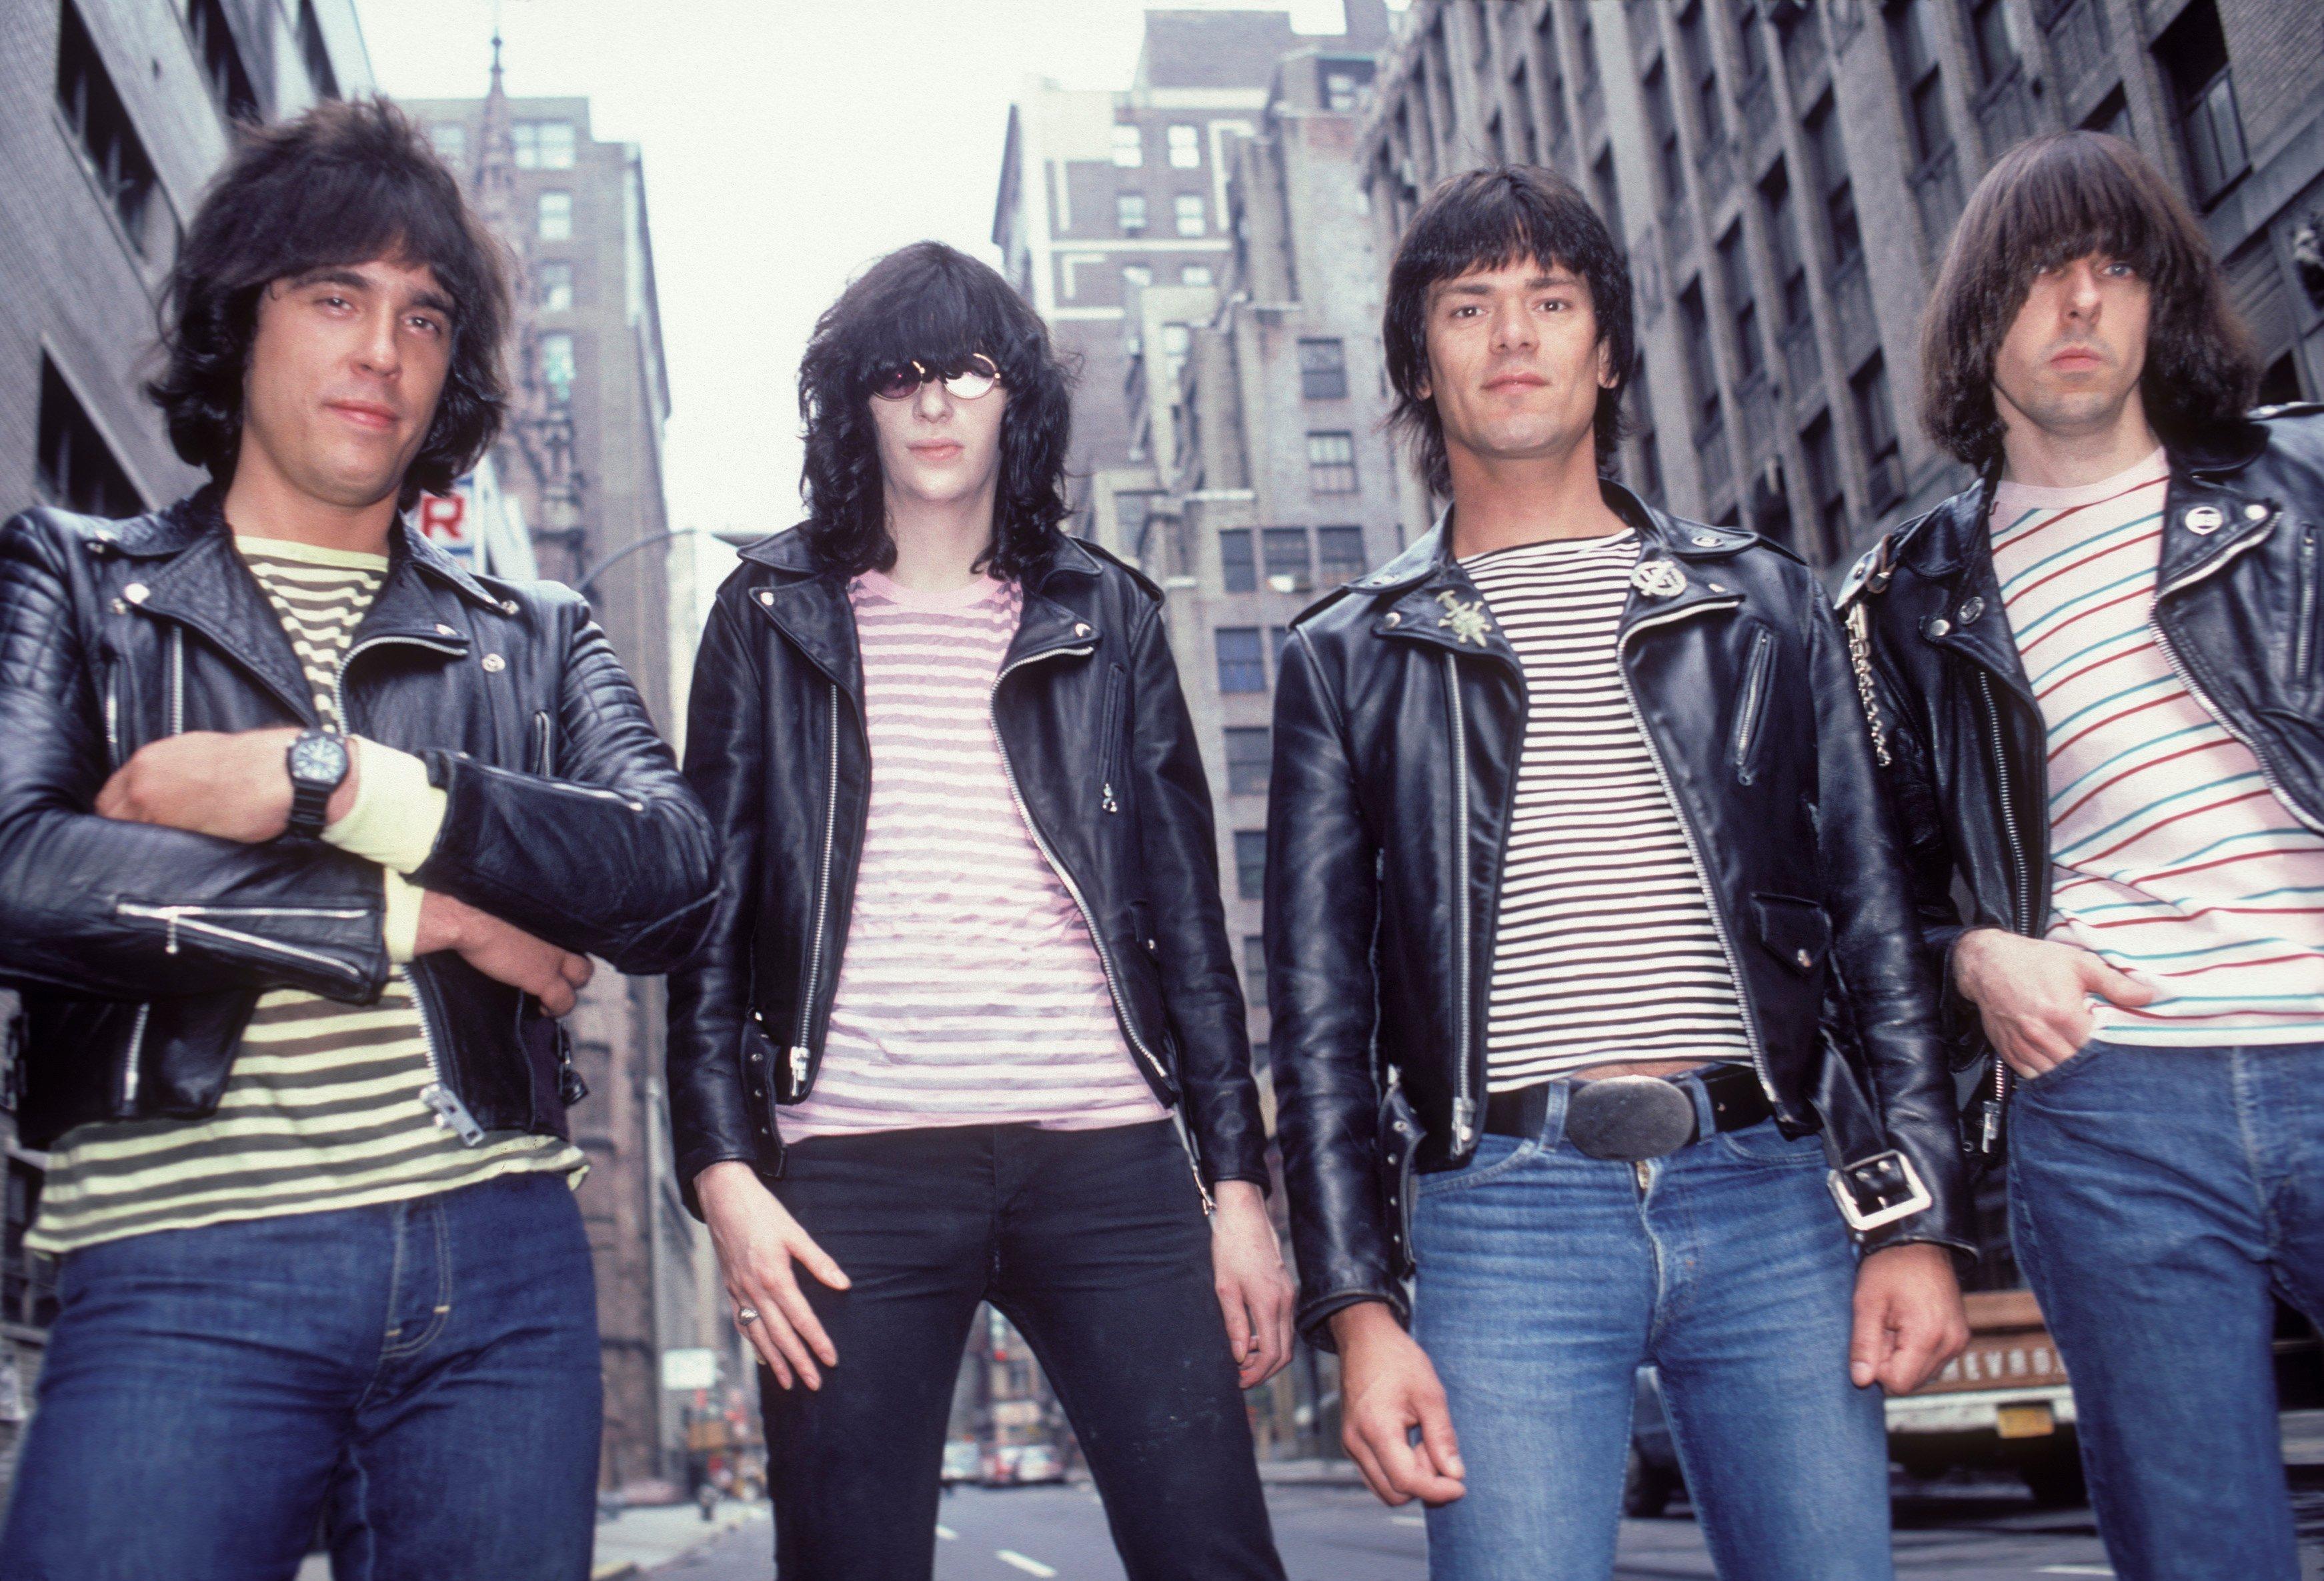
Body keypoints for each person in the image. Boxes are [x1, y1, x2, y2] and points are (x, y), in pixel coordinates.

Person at [0, 100, 716, 1579]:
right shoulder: (79, 584)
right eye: (335, 296)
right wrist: (417, 919)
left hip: (501, 1274)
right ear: (238, 321)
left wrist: (332, 781)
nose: (382, 348)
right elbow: (21, 878)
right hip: (188, 1266)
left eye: (424, 315)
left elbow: (673, 876)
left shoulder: (538, 633)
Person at [1265, 165, 1970, 1581]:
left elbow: (1874, 924)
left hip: (1773, 1187)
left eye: (1552, 299)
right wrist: (1359, 1308)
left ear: (1610, 350)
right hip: (1502, 1214)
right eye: (1469, 306)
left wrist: (1918, 1217)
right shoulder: (1345, 653)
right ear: (1418, 358)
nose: (1513, 336)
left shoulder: (1760, 599)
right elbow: (1318, 1015)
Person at [665, 241, 1291, 1581]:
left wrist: (1239, 1187)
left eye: (968, 370)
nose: (937, 402)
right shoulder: (766, 615)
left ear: (1017, 399)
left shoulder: (1105, 610)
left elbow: (1189, 919)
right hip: (851, 1172)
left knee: (1215, 1557)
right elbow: (710, 924)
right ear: (857, 406)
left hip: (1109, 1158)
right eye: (900, 377)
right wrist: (723, 1173)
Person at [1843, 129, 2324, 1581]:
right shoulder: (1908, 592)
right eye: (2041, 278)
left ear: (2160, 304)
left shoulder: (2303, 488)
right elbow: (1871, 905)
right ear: (1977, 317)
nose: (2078, 308)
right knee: (2200, 1550)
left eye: (2115, 274)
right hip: (2112, 1112)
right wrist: (1974, 950)